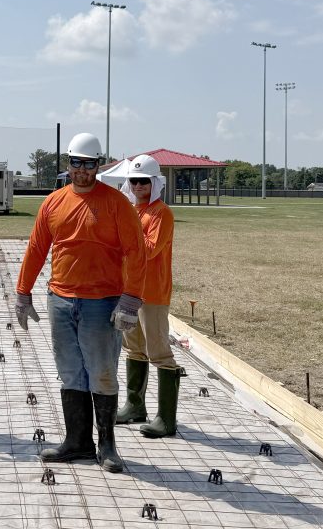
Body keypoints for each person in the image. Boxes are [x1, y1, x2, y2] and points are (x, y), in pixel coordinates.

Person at [14, 133, 145, 473]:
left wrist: (130, 300)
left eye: (90, 164)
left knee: (101, 374)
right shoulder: (53, 203)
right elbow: (36, 248)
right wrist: (23, 293)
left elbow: (137, 252)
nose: (83, 171)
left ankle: (107, 446)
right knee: (70, 373)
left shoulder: (116, 203)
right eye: (77, 163)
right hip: (61, 300)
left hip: (102, 303)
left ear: (98, 165)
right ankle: (77, 442)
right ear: (68, 164)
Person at [113, 154, 182, 438]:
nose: (138, 186)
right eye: (134, 181)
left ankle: (166, 419)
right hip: (129, 290)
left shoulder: (161, 213)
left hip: (152, 292)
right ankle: (134, 406)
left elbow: (150, 249)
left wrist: (127, 231)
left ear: (154, 183)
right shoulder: (133, 211)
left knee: (160, 353)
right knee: (134, 349)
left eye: (143, 181)